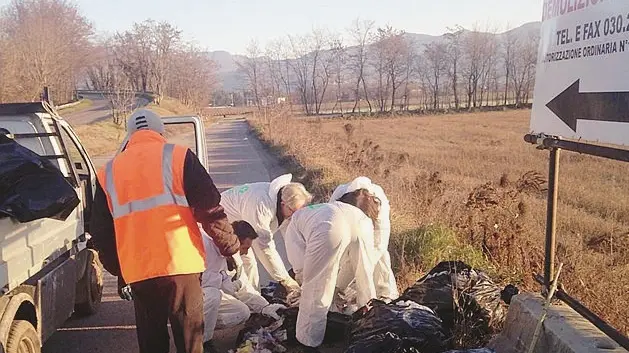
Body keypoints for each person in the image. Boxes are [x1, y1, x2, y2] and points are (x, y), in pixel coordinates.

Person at [90, 109, 240, 353]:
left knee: (152, 342)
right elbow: (210, 210)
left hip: (139, 270)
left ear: (129, 136)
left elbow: (101, 233)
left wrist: (120, 271)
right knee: (190, 339)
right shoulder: (179, 157)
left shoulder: (108, 172)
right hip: (180, 264)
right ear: (161, 132)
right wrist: (230, 248)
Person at [283, 189, 381, 349]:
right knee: (365, 280)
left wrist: (304, 281)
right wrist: (336, 288)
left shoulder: (296, 222)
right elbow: (350, 265)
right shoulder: (353, 212)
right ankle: (371, 329)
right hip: (362, 225)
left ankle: (308, 342)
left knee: (315, 290)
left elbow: (302, 269)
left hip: (329, 226)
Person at [201, 221, 286, 352]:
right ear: (235, 241)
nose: (246, 253)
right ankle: (202, 342)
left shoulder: (233, 257)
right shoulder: (205, 244)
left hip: (208, 294)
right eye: (245, 248)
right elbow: (201, 280)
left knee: (242, 312)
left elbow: (244, 287)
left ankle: (203, 327)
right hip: (193, 294)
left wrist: (265, 307)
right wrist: (224, 282)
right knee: (213, 295)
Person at [220, 174, 312, 293]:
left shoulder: (284, 200)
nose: (294, 217)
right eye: (293, 212)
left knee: (249, 264)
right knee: (245, 263)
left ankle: (254, 300)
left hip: (240, 224)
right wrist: (285, 280)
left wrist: (301, 270)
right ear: (283, 204)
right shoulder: (262, 206)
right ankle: (248, 303)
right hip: (223, 225)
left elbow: (292, 239)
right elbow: (265, 247)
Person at [329, 176, 398, 302]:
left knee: (379, 259)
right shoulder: (338, 198)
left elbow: (379, 245)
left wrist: (362, 270)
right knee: (343, 257)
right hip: (345, 230)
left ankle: (384, 295)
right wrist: (339, 285)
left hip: (373, 240)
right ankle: (339, 292)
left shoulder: (379, 207)